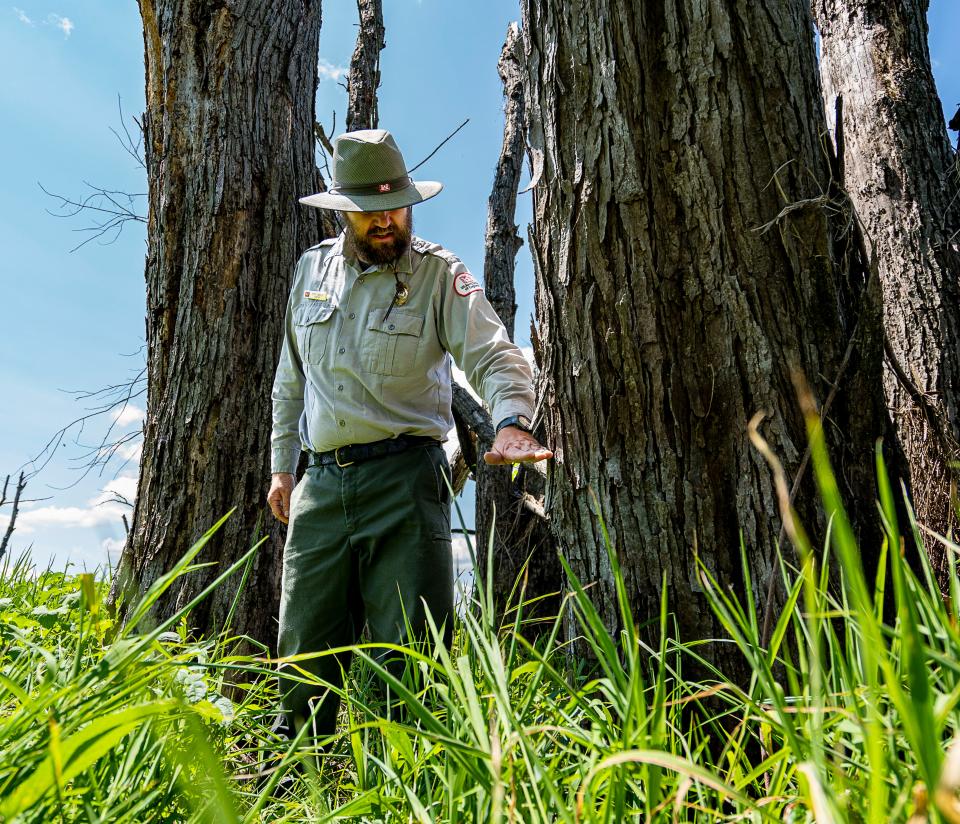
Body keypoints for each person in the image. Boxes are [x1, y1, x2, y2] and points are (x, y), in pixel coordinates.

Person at [266, 129, 552, 737]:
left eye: (396, 206)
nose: (387, 221)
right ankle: (297, 784)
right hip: (318, 487)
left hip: (406, 480)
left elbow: (494, 356)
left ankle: (410, 782)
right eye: (371, 211)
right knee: (303, 653)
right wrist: (282, 467)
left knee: (412, 657)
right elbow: (290, 377)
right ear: (346, 211)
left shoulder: (437, 274)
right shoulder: (311, 270)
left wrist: (511, 422)